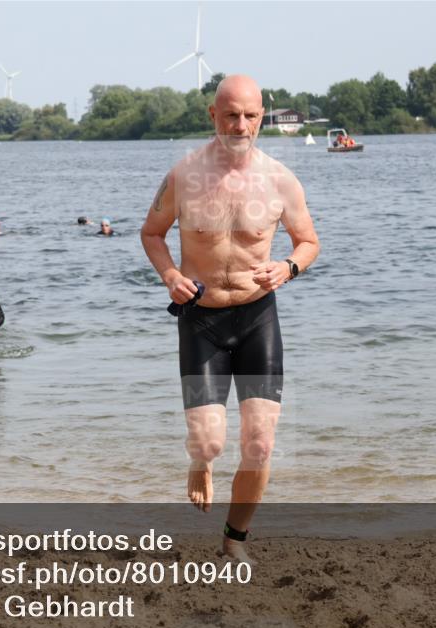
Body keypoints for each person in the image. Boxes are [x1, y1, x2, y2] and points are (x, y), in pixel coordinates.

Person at [140, 74, 320, 563]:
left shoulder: (281, 179)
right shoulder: (185, 175)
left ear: (262, 116)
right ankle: (199, 460)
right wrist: (170, 275)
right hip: (201, 320)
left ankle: (233, 540)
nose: (241, 125)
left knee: (260, 445)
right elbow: (151, 233)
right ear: (212, 116)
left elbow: (309, 242)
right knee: (210, 441)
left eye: (251, 115)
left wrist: (288, 267)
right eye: (232, 114)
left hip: (258, 318)